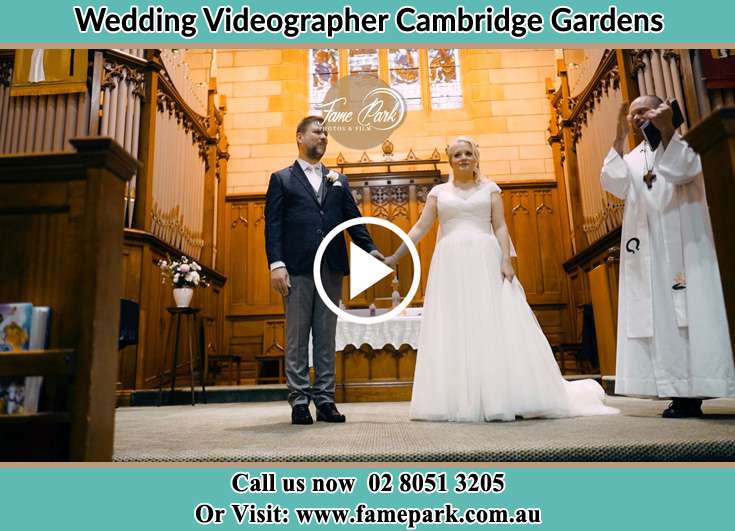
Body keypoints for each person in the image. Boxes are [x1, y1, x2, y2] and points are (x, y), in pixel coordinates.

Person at [385, 138, 618, 421]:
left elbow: (501, 225)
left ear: (476, 158)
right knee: (457, 324)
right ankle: (457, 397)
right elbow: (421, 227)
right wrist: (395, 257)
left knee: (491, 321)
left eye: (468, 153)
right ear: (450, 161)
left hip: (485, 257)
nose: (463, 158)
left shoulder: (490, 189)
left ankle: (499, 394)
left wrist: (506, 259)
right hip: (449, 263)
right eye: (457, 154)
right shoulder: (438, 193)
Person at [601, 96, 735, 418]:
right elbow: (613, 182)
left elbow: (681, 170)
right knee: (662, 320)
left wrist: (667, 132)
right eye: (632, 113)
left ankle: (695, 388)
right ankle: (679, 391)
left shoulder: (688, 145)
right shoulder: (634, 157)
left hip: (685, 246)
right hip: (649, 251)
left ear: (664, 110)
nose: (637, 117)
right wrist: (618, 136)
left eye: (644, 110)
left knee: (693, 313)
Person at [265, 115, 384, 425]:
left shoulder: (338, 180)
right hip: (297, 267)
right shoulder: (282, 179)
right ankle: (299, 400)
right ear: (299, 137)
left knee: (326, 336)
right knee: (296, 336)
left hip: (330, 267)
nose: (323, 137)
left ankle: (326, 400)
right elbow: (273, 225)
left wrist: (370, 249)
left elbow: (352, 220)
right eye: (317, 132)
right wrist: (276, 264)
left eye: (326, 133)